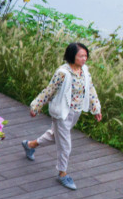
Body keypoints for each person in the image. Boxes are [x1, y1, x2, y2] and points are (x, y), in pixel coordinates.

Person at [22, 42, 102, 190]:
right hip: (61, 113)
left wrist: (96, 108)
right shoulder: (63, 73)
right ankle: (62, 174)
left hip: (75, 112)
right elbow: (49, 90)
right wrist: (36, 106)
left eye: (86, 55)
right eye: (81, 56)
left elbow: (90, 90)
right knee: (65, 145)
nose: (84, 58)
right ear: (72, 56)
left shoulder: (84, 70)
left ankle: (30, 145)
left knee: (55, 135)